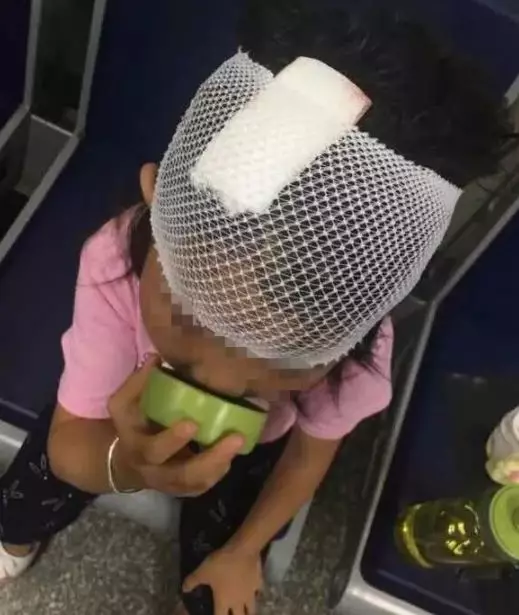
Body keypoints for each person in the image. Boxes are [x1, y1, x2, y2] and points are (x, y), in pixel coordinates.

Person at [0, 1, 512, 614]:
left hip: (248, 456)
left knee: (220, 572)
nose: (216, 384)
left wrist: (243, 550)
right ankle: (14, 536)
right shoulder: (118, 263)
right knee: (33, 486)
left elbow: (307, 458)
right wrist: (126, 464)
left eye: (281, 360)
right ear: (161, 207)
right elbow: (70, 443)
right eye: (191, 312)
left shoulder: (357, 348)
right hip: (114, 410)